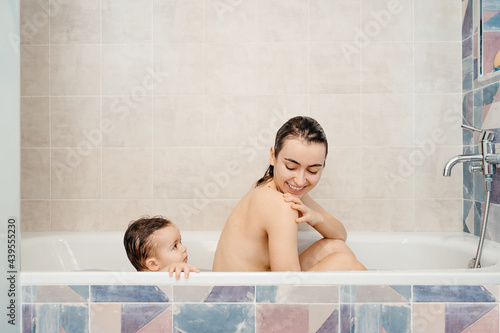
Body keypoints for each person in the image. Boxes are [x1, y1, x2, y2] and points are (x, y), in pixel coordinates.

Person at [212, 116, 366, 272]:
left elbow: (340, 235)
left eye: (312, 170)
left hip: (244, 289)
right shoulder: (280, 205)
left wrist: (316, 217)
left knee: (336, 247)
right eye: (291, 167)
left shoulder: (273, 185)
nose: (299, 181)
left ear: (323, 163)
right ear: (273, 156)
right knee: (345, 262)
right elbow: (287, 286)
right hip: (240, 295)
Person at [124, 216, 200, 279]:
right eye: (174, 246)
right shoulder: (145, 285)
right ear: (153, 264)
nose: (184, 248)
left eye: (180, 241)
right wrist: (171, 269)